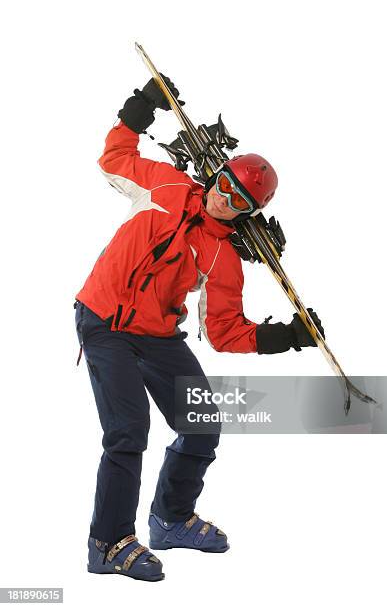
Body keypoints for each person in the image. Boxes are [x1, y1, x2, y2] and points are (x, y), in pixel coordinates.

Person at [74, 75, 325, 582]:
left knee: (201, 423)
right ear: (216, 175)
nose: (223, 200)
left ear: (248, 215)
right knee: (128, 430)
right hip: (102, 319)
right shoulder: (165, 184)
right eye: (225, 185)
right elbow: (114, 157)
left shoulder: (222, 257)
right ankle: (109, 542)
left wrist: (286, 337)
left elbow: (225, 331)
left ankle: (170, 518)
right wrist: (140, 108)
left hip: (157, 336)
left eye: (238, 202)